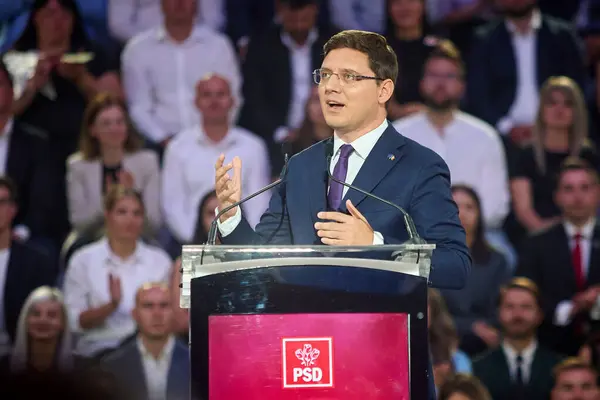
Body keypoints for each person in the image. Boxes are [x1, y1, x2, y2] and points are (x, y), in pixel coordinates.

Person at [214, 29, 471, 398]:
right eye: (325, 75)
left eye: (349, 77)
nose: (331, 87)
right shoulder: (301, 167)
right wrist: (230, 215)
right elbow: (264, 260)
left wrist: (376, 245)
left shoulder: (420, 166)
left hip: (385, 367)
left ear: (384, 90)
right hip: (307, 366)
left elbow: (456, 265)